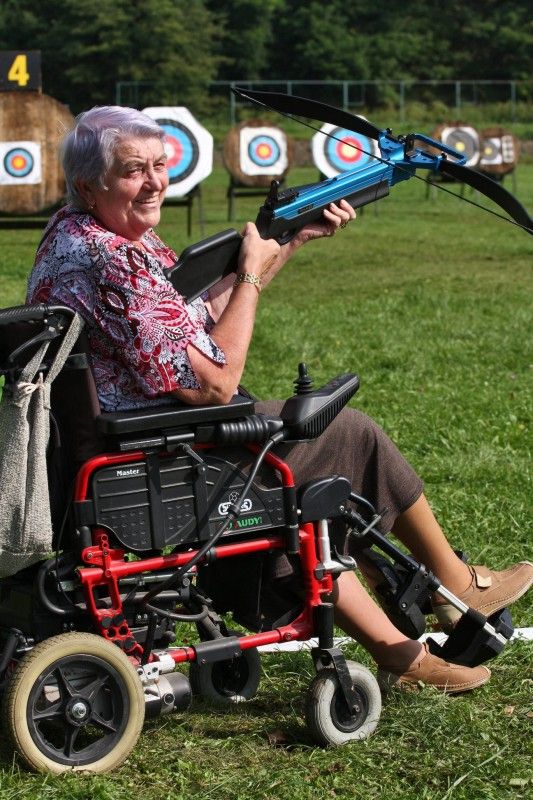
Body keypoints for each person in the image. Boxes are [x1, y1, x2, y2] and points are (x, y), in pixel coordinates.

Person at [27, 106, 532, 694]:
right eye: (135, 170)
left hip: (136, 439)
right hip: (162, 448)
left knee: (304, 482)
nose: (156, 182)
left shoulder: (78, 234)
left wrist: (287, 241)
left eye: (160, 166)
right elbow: (214, 381)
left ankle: (402, 649)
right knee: (351, 437)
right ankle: (452, 587)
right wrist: (252, 278)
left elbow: (193, 322)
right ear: (90, 185)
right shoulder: (115, 258)